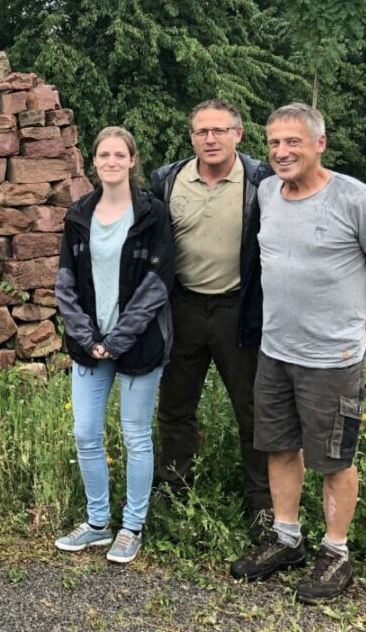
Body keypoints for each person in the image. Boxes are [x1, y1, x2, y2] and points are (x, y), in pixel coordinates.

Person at [229, 103, 366, 603]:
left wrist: (363, 323)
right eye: (273, 142)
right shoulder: (268, 193)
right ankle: (286, 537)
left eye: (292, 141)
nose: (280, 151)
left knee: (334, 458)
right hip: (276, 351)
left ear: (320, 144)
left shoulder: (355, 199)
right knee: (277, 446)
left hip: (331, 358)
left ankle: (336, 552)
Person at [150, 99, 274, 539]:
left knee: (254, 411)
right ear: (192, 138)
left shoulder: (262, 180)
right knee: (175, 406)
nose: (211, 139)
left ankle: (263, 506)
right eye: (202, 131)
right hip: (182, 307)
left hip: (238, 310)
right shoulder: (167, 180)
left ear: (238, 134)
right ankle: (173, 488)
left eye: (220, 130)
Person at [54, 127, 174, 564]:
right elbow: (65, 284)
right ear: (94, 162)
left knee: (135, 436)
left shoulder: (153, 214)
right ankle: (98, 524)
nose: (110, 161)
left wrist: (118, 339)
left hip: (139, 344)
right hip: (90, 345)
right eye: (103, 154)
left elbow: (158, 284)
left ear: (131, 160)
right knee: (86, 433)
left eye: (118, 154)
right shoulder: (79, 214)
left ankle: (132, 527)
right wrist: (90, 338)